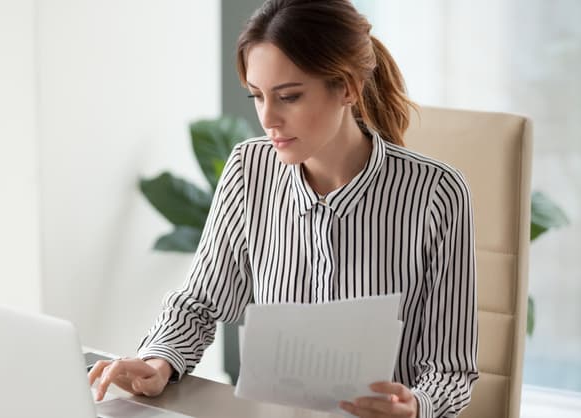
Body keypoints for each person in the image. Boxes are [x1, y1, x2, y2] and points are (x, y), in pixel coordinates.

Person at [89, 0, 478, 417]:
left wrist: (416, 407)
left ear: (347, 87)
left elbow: (450, 370)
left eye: (289, 97)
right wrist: (158, 361)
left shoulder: (437, 193)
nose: (268, 118)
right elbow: (199, 302)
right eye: (257, 96)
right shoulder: (247, 170)